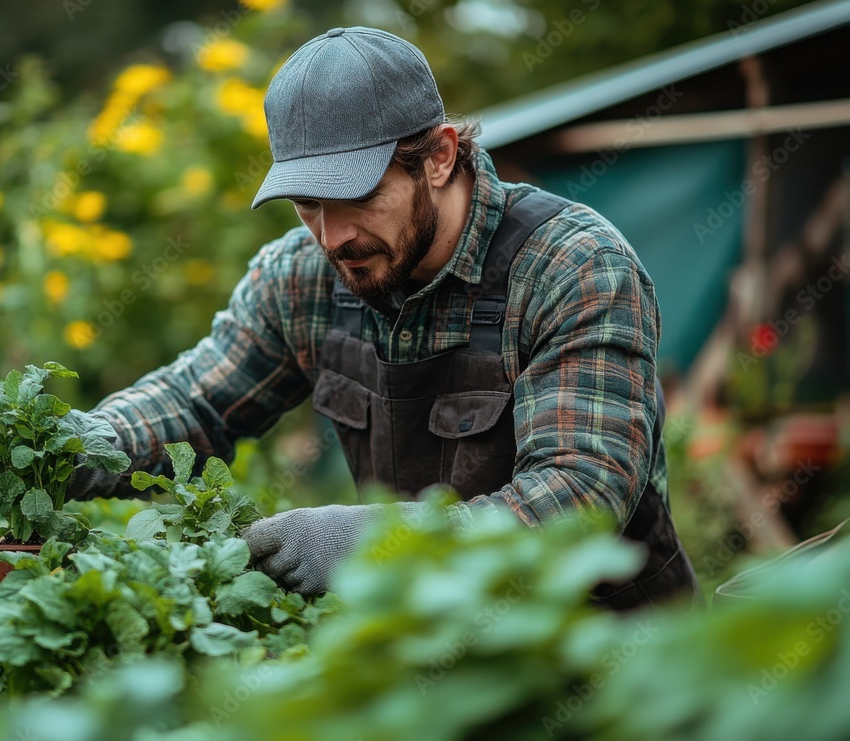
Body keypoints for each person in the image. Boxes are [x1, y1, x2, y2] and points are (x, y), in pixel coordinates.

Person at [71, 26, 701, 610]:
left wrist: (380, 540)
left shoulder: (571, 268)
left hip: (617, 663)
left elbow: (582, 495)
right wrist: (76, 443)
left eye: (358, 195)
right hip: (425, 656)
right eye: (307, 204)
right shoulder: (306, 275)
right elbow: (197, 402)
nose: (332, 234)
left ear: (439, 157)